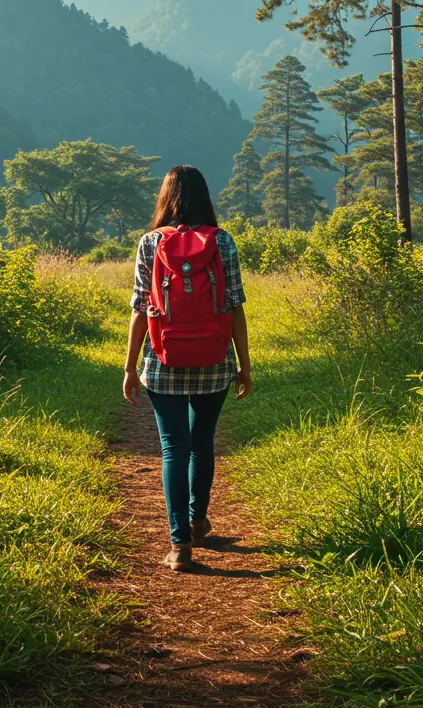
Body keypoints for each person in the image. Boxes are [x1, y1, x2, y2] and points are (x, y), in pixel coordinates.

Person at [123, 165, 252, 572]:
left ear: (165, 197)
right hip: (215, 360)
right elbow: (234, 307)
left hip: (163, 361)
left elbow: (141, 310)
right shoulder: (223, 241)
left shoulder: (150, 243)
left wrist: (130, 367)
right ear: (205, 196)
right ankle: (198, 522)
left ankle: (179, 545)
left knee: (173, 449)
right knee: (203, 442)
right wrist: (244, 365)